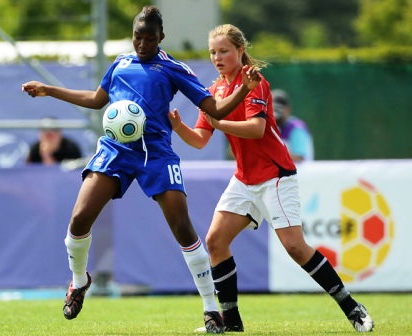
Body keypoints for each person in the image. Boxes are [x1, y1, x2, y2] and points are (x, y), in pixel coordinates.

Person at [22, 6, 261, 334]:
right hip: (116, 151)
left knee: (183, 228)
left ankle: (210, 309)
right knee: (79, 219)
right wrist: (49, 90)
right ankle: (79, 282)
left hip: (156, 156)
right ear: (132, 35)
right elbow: (96, 99)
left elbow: (215, 108)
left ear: (160, 38)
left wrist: (244, 89)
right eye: (138, 37)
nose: (143, 44)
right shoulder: (120, 63)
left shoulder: (173, 69)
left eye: (150, 38)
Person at [169, 24, 374, 333]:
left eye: (224, 50)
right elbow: (200, 139)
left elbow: (257, 129)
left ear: (239, 50)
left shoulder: (254, 81)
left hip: (275, 176)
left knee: (295, 248)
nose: (217, 57)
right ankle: (230, 324)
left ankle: (353, 308)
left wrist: (219, 123)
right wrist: (177, 126)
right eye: (213, 52)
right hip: (244, 180)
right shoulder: (214, 91)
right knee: (215, 241)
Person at [272, 89, 314, 162]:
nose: (275, 113)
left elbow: (299, 157)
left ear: (287, 109)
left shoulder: (296, 128)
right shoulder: (276, 128)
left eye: (277, 109)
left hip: (302, 172)